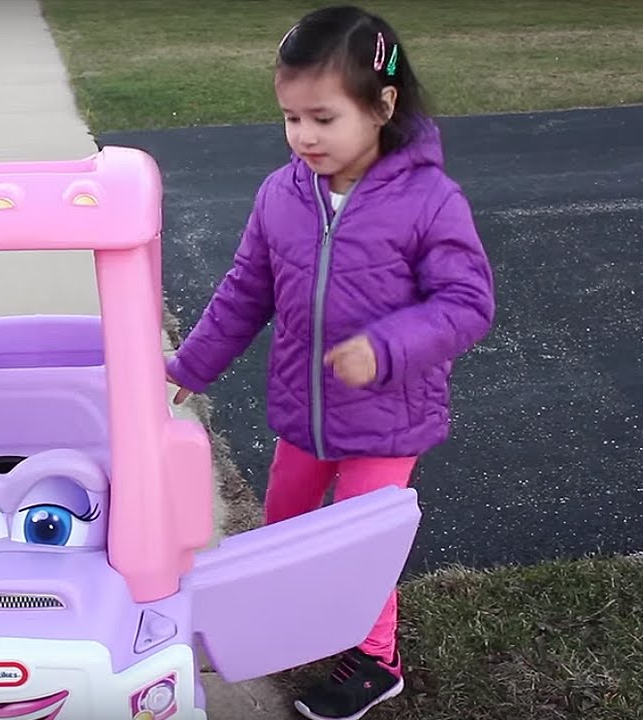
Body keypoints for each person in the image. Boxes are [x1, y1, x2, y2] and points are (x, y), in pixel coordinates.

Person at [164, 5, 496, 719]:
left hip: (389, 417)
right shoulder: (281, 195)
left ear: (382, 106)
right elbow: (244, 292)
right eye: (291, 118)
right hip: (303, 411)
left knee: (358, 545)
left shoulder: (430, 202)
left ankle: (376, 660)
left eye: (322, 118)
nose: (304, 136)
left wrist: (383, 350)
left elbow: (468, 303)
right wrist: (189, 366)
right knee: (283, 522)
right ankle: (292, 625)